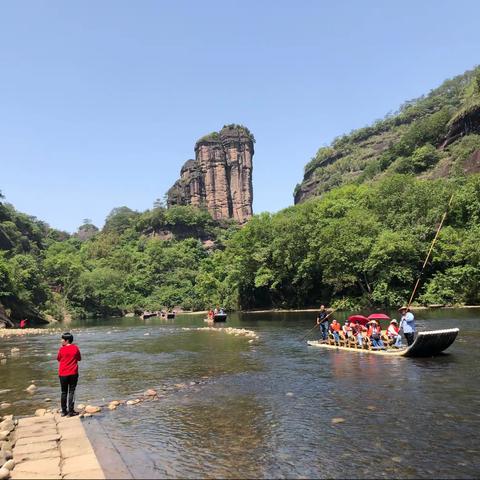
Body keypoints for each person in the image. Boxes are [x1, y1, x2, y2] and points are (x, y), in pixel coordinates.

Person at [57, 332, 81, 417]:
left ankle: (64, 411)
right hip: (73, 373)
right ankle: (71, 411)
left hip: (63, 373)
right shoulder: (75, 348)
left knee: (63, 392)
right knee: (71, 391)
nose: (61, 340)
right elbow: (79, 358)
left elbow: (58, 359)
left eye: (62, 339)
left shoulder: (61, 349)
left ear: (66, 341)